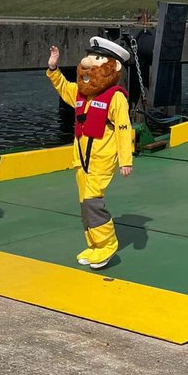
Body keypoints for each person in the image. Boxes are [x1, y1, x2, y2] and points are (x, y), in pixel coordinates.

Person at [46, 37, 133, 270]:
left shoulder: (115, 98)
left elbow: (124, 129)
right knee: (84, 202)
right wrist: (53, 68)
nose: (88, 64)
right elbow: (64, 87)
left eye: (96, 59)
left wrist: (125, 160)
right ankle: (94, 245)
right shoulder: (81, 93)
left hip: (101, 159)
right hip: (80, 159)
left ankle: (107, 244)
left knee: (93, 201)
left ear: (111, 67)